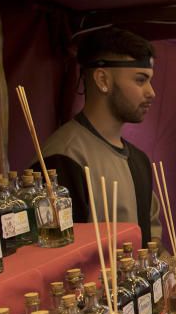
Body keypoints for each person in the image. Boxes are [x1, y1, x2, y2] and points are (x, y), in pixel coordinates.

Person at [40, 27, 161, 244]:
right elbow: (57, 256)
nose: (151, 92)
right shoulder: (63, 159)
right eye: (140, 80)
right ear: (102, 80)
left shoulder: (139, 160)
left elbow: (151, 243)